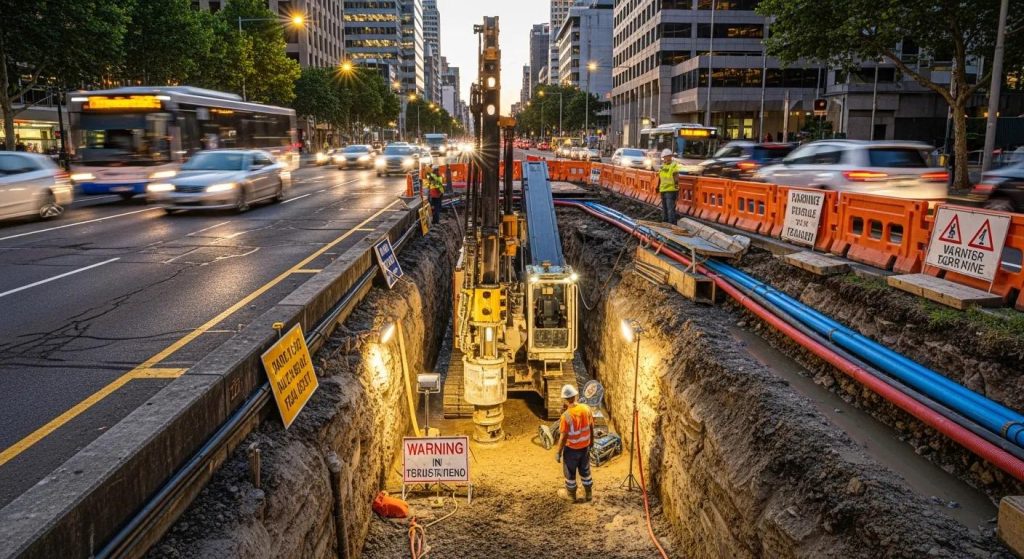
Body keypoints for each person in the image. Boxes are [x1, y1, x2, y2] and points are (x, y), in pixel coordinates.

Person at [554, 384, 595, 503]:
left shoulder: (566, 416)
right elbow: (592, 426)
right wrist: (591, 441)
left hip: (571, 450)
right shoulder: (586, 409)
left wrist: (558, 452)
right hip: (585, 447)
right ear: (575, 396)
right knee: (585, 470)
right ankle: (588, 494)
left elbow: (563, 437)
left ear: (565, 399)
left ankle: (571, 495)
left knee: (570, 472)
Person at [657, 148, 680, 224]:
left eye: (665, 157)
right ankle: (665, 221)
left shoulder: (673, 166)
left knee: (670, 208)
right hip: (663, 189)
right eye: (663, 158)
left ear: (669, 157)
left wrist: (676, 187)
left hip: (671, 190)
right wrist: (657, 186)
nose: (664, 159)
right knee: (664, 207)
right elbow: (660, 178)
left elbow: (676, 177)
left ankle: (671, 223)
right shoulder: (662, 167)